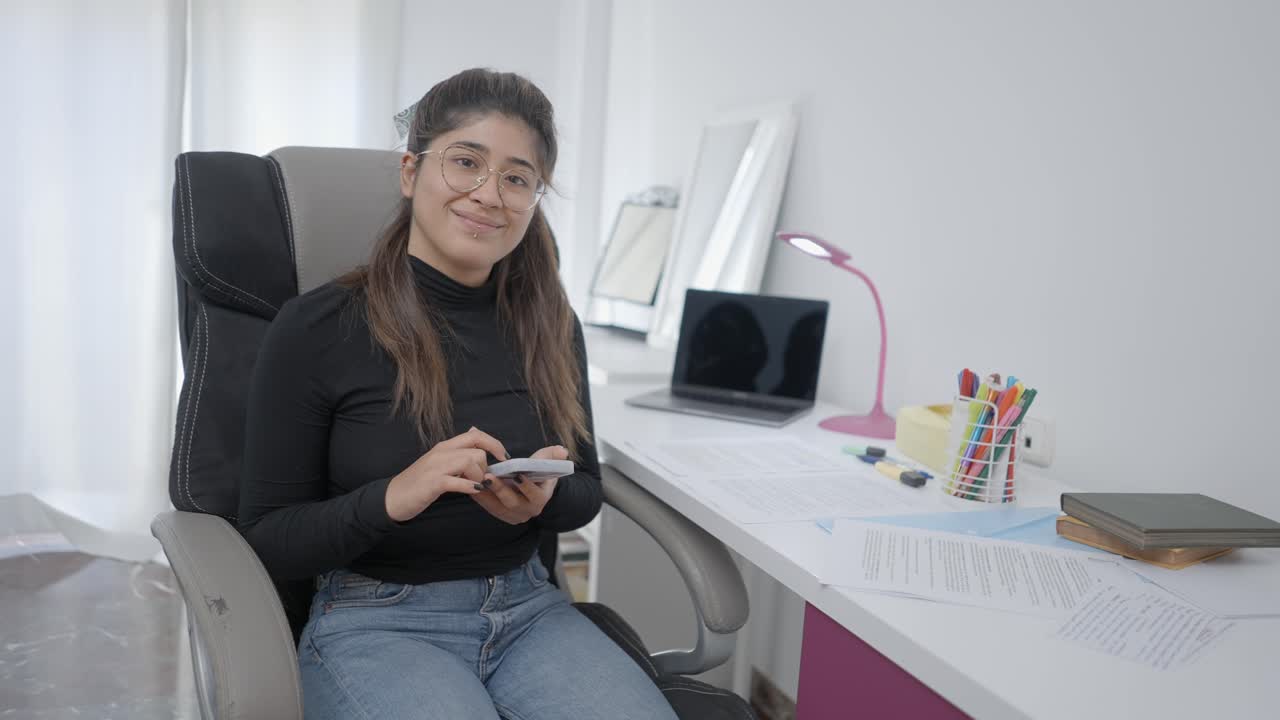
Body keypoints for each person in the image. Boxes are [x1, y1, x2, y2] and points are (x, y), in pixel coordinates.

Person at [238, 68, 678, 720]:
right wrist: (393, 497)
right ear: (412, 172)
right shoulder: (316, 328)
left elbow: (585, 485)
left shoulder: (550, 324)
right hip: (377, 622)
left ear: (533, 201)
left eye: (516, 177)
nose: (488, 194)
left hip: (529, 612)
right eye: (466, 162)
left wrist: (540, 503)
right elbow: (268, 538)